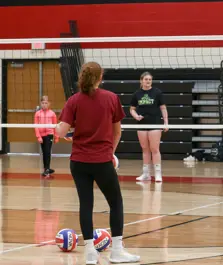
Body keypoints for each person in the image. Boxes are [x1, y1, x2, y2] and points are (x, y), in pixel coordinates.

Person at [55, 62, 140, 264]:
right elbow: (117, 132)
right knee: (115, 202)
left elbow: (60, 131)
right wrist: (110, 152)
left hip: (79, 161)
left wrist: (66, 129)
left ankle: (90, 253)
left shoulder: (73, 100)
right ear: (100, 77)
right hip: (102, 160)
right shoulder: (111, 98)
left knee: (86, 204)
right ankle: (117, 251)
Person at [130, 72, 168, 182]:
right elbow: (132, 109)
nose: (148, 81)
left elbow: (163, 108)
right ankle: (146, 174)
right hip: (142, 124)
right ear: (141, 80)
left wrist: (166, 123)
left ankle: (158, 174)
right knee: (145, 149)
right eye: (146, 79)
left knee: (155, 149)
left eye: (150, 79)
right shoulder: (137, 94)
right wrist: (136, 116)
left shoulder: (157, 92)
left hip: (154, 123)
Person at [34, 95, 59, 177]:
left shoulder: (52, 113)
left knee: (47, 152)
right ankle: (46, 168)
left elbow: (55, 125)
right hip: (42, 135)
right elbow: (36, 126)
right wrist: (38, 136)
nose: (44, 104)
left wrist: (56, 136)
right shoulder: (37, 113)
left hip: (49, 135)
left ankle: (47, 169)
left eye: (46, 103)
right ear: (40, 104)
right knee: (44, 152)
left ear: (49, 104)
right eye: (43, 103)